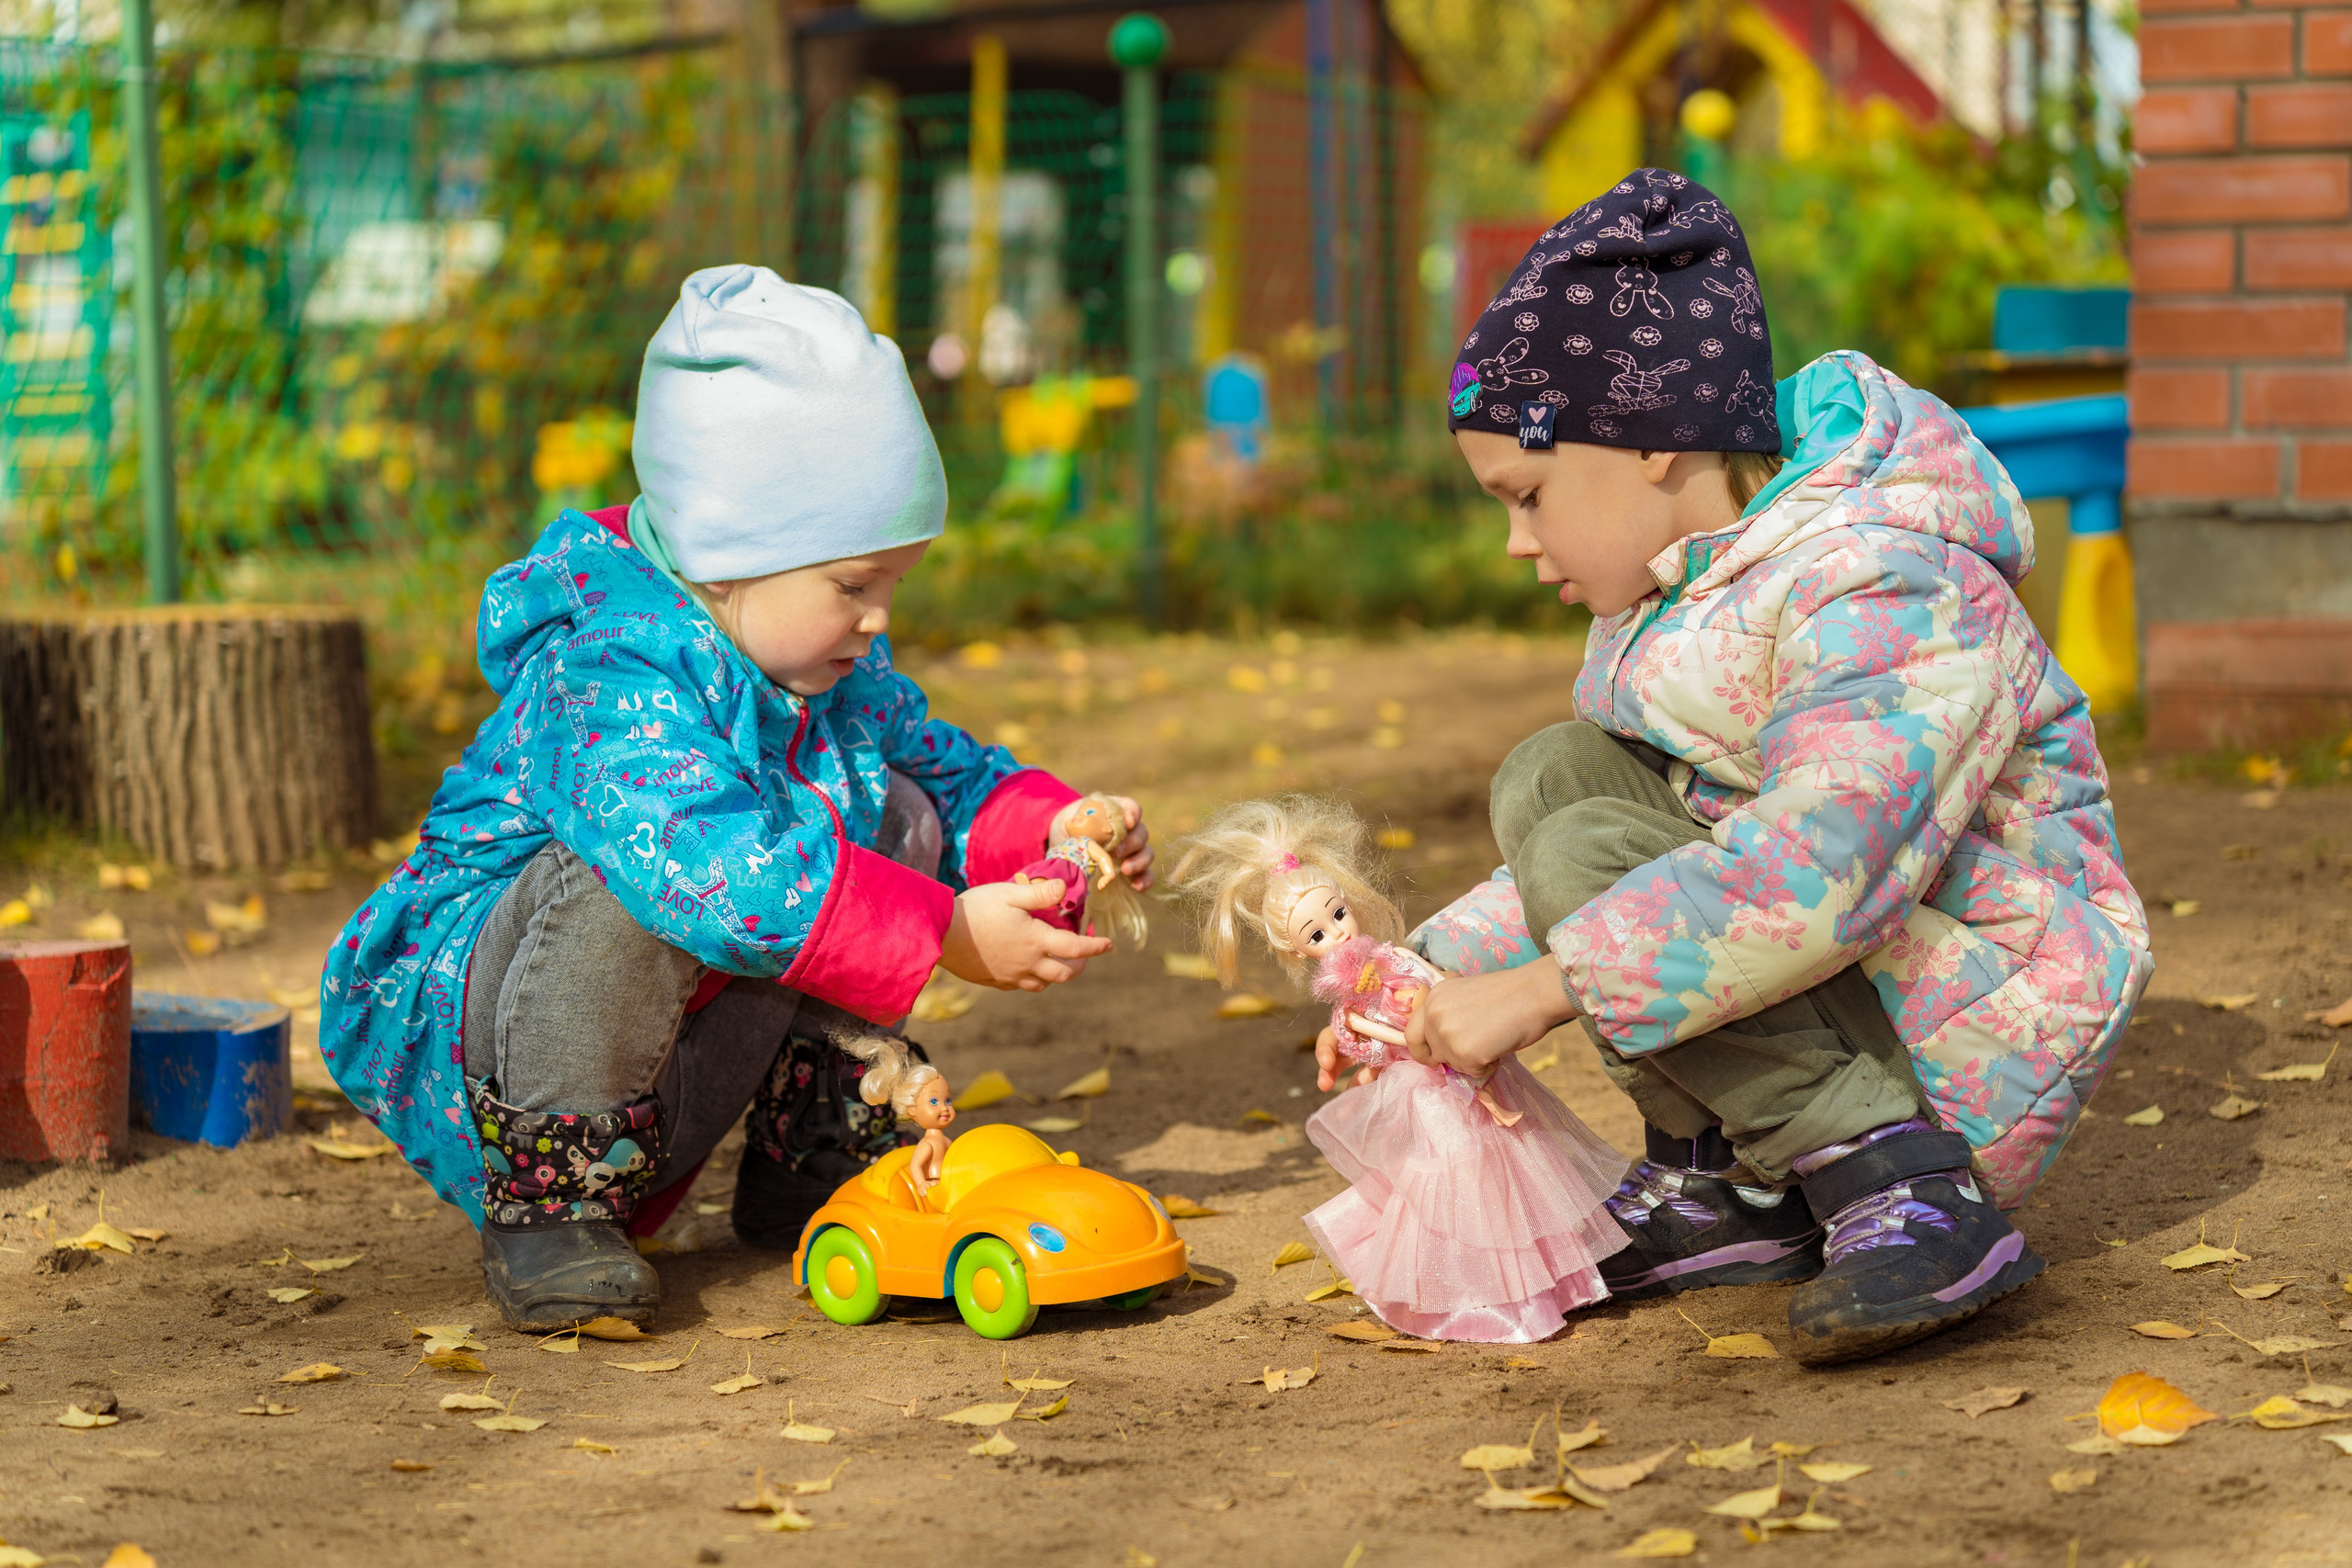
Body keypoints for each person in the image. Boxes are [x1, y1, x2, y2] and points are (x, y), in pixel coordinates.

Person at [1345, 169, 2152, 1365]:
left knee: (1583, 827)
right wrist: (1418, 974)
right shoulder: (1679, 591)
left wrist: (1534, 991)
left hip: (1981, 988)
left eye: (1528, 495)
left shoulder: (1887, 578)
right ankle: (1734, 1179)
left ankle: (1905, 1179)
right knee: (1558, 781)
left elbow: (1821, 869)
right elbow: (1642, 841)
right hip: (1852, 966)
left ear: (1654, 440)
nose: (1518, 543)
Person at [321, 265, 1151, 1333]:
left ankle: (809, 1148)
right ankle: (551, 1208)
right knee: (642, 875)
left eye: (893, 583)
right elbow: (708, 869)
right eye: (853, 585)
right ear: (726, 558)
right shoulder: (609, 667)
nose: (877, 620)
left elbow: (937, 765)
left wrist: (1050, 825)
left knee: (896, 811)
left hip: (677, 1040)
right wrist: (940, 924)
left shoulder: (811, 659)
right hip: (500, 1050)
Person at [1172, 796, 1627, 1343]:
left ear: (1348, 901)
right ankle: (1475, 1299)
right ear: (1294, 950)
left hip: (1452, 1063)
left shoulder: (1395, 958)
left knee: (1508, 1174)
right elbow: (1362, 1037)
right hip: (1422, 1085)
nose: (1335, 934)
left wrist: (1434, 1002)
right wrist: (1381, 1042)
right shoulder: (1348, 1001)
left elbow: (1434, 982)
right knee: (1447, 1179)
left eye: (1336, 915)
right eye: (1315, 934)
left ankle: (1542, 1289)